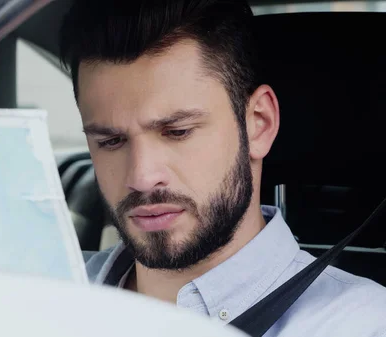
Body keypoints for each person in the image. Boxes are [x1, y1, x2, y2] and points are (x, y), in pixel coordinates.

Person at [58, 0, 386, 336]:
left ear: (259, 124)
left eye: (178, 132)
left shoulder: (361, 324)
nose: (141, 177)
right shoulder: (38, 293)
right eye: (111, 141)